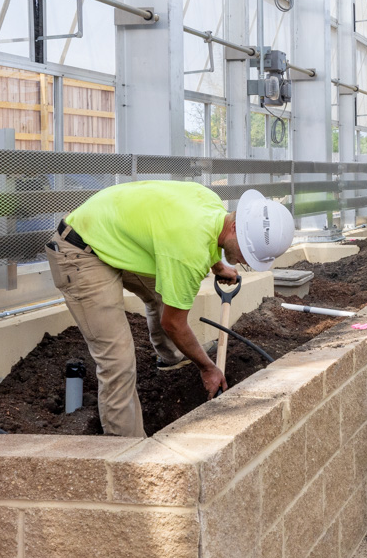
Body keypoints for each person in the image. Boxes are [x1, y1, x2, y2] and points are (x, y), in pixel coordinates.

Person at [45, 181, 294, 437]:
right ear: (235, 227)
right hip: (78, 250)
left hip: (112, 234)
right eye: (246, 253)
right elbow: (173, 323)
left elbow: (194, 235)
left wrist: (217, 266)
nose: (243, 261)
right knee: (117, 358)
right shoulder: (187, 252)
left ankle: (171, 358)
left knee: (163, 292)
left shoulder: (211, 204)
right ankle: (127, 448)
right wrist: (207, 367)